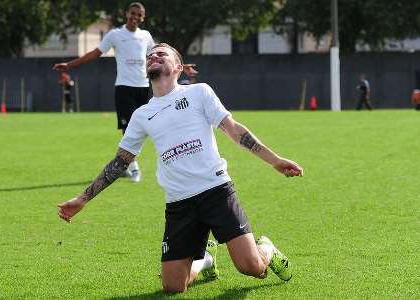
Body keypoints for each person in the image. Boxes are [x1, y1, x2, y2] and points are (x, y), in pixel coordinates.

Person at [58, 43, 304, 294]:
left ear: (177, 67)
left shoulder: (199, 93)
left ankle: (267, 249)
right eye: (149, 55)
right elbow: (120, 162)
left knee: (252, 267)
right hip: (179, 203)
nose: (153, 56)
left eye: (161, 53)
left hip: (216, 192)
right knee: (173, 287)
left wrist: (275, 160)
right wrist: (82, 199)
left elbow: (234, 130)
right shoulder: (142, 115)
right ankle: (206, 259)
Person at [53, 2, 196, 183]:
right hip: (124, 87)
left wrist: (183, 65)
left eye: (139, 15)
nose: (135, 17)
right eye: (133, 13)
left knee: (152, 126)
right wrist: (69, 65)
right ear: (126, 13)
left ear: (143, 18)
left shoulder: (145, 36)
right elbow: (95, 54)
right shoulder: (115, 35)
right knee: (128, 128)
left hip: (144, 88)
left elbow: (161, 54)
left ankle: (165, 163)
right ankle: (133, 167)